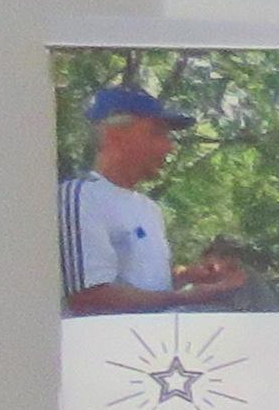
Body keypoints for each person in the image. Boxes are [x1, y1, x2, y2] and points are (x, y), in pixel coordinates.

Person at [57, 83, 249, 314]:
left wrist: (188, 276)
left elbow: (144, 284)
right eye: (157, 133)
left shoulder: (148, 208)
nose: (169, 147)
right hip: (107, 347)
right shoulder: (80, 197)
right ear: (115, 136)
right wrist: (185, 298)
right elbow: (88, 297)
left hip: (156, 345)